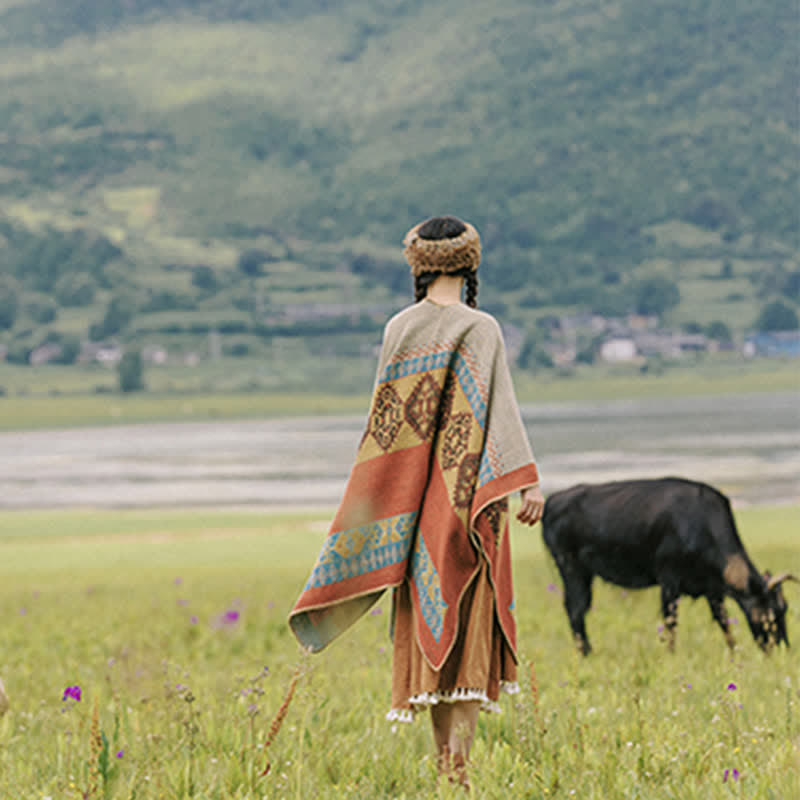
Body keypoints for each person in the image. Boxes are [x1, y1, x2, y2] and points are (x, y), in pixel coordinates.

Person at [289, 215, 544, 789]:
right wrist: (528, 482)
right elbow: (500, 412)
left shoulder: (397, 329)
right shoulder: (482, 328)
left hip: (413, 507)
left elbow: (385, 427)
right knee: (469, 625)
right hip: (471, 503)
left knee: (429, 616)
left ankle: (443, 770)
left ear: (418, 265)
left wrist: (385, 500)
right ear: (471, 263)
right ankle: (461, 771)